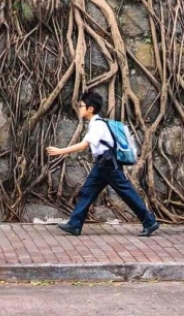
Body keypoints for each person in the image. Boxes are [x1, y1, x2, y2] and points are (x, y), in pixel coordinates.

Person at [46, 89, 159, 237]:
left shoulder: (98, 125)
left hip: (108, 164)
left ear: (90, 109)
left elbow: (83, 145)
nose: (79, 108)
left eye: (81, 106)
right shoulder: (96, 124)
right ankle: (75, 224)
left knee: (127, 193)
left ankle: (149, 222)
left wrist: (60, 150)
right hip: (102, 164)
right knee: (87, 191)